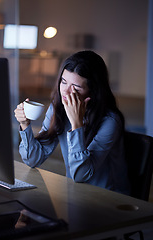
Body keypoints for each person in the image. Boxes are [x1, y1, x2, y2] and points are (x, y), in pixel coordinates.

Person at [14, 50, 130, 195]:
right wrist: (25, 124)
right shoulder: (58, 108)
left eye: (76, 87)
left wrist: (76, 125)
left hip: (109, 197)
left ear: (93, 91)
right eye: (63, 82)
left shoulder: (110, 121)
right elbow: (33, 160)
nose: (66, 92)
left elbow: (81, 175)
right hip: (75, 192)